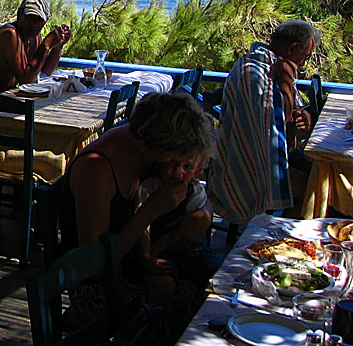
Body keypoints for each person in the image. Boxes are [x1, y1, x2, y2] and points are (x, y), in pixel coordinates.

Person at [67, 91, 217, 308]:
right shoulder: (96, 169)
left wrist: (204, 215)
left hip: (144, 262)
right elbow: (96, 266)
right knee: (199, 305)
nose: (175, 166)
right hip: (104, 285)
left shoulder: (149, 152)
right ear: (150, 146)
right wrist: (149, 211)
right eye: (173, 158)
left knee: (221, 279)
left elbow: (195, 191)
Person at [208, 20, 319, 224]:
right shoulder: (254, 73)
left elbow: (282, 123)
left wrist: (303, 117)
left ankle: (279, 233)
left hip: (270, 158)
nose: (303, 63)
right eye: (305, 56)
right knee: (316, 191)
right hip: (244, 169)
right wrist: (286, 80)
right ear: (293, 48)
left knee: (319, 172)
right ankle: (277, 236)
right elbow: (272, 128)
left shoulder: (270, 67)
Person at [138, 155, 222, 289]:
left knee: (218, 272)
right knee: (164, 278)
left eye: (187, 167)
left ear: (197, 171)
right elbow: (143, 224)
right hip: (164, 252)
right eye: (172, 162)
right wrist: (146, 255)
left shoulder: (195, 191)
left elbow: (199, 223)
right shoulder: (149, 188)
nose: (178, 171)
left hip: (194, 251)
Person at [0, 0, 71, 90]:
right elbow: (25, 80)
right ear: (19, 14)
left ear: (44, 22)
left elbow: (43, 74)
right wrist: (45, 46)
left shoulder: (34, 36)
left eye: (39, 20)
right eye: (30, 18)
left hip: (3, 96)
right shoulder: (9, 34)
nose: (34, 25)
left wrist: (57, 47)